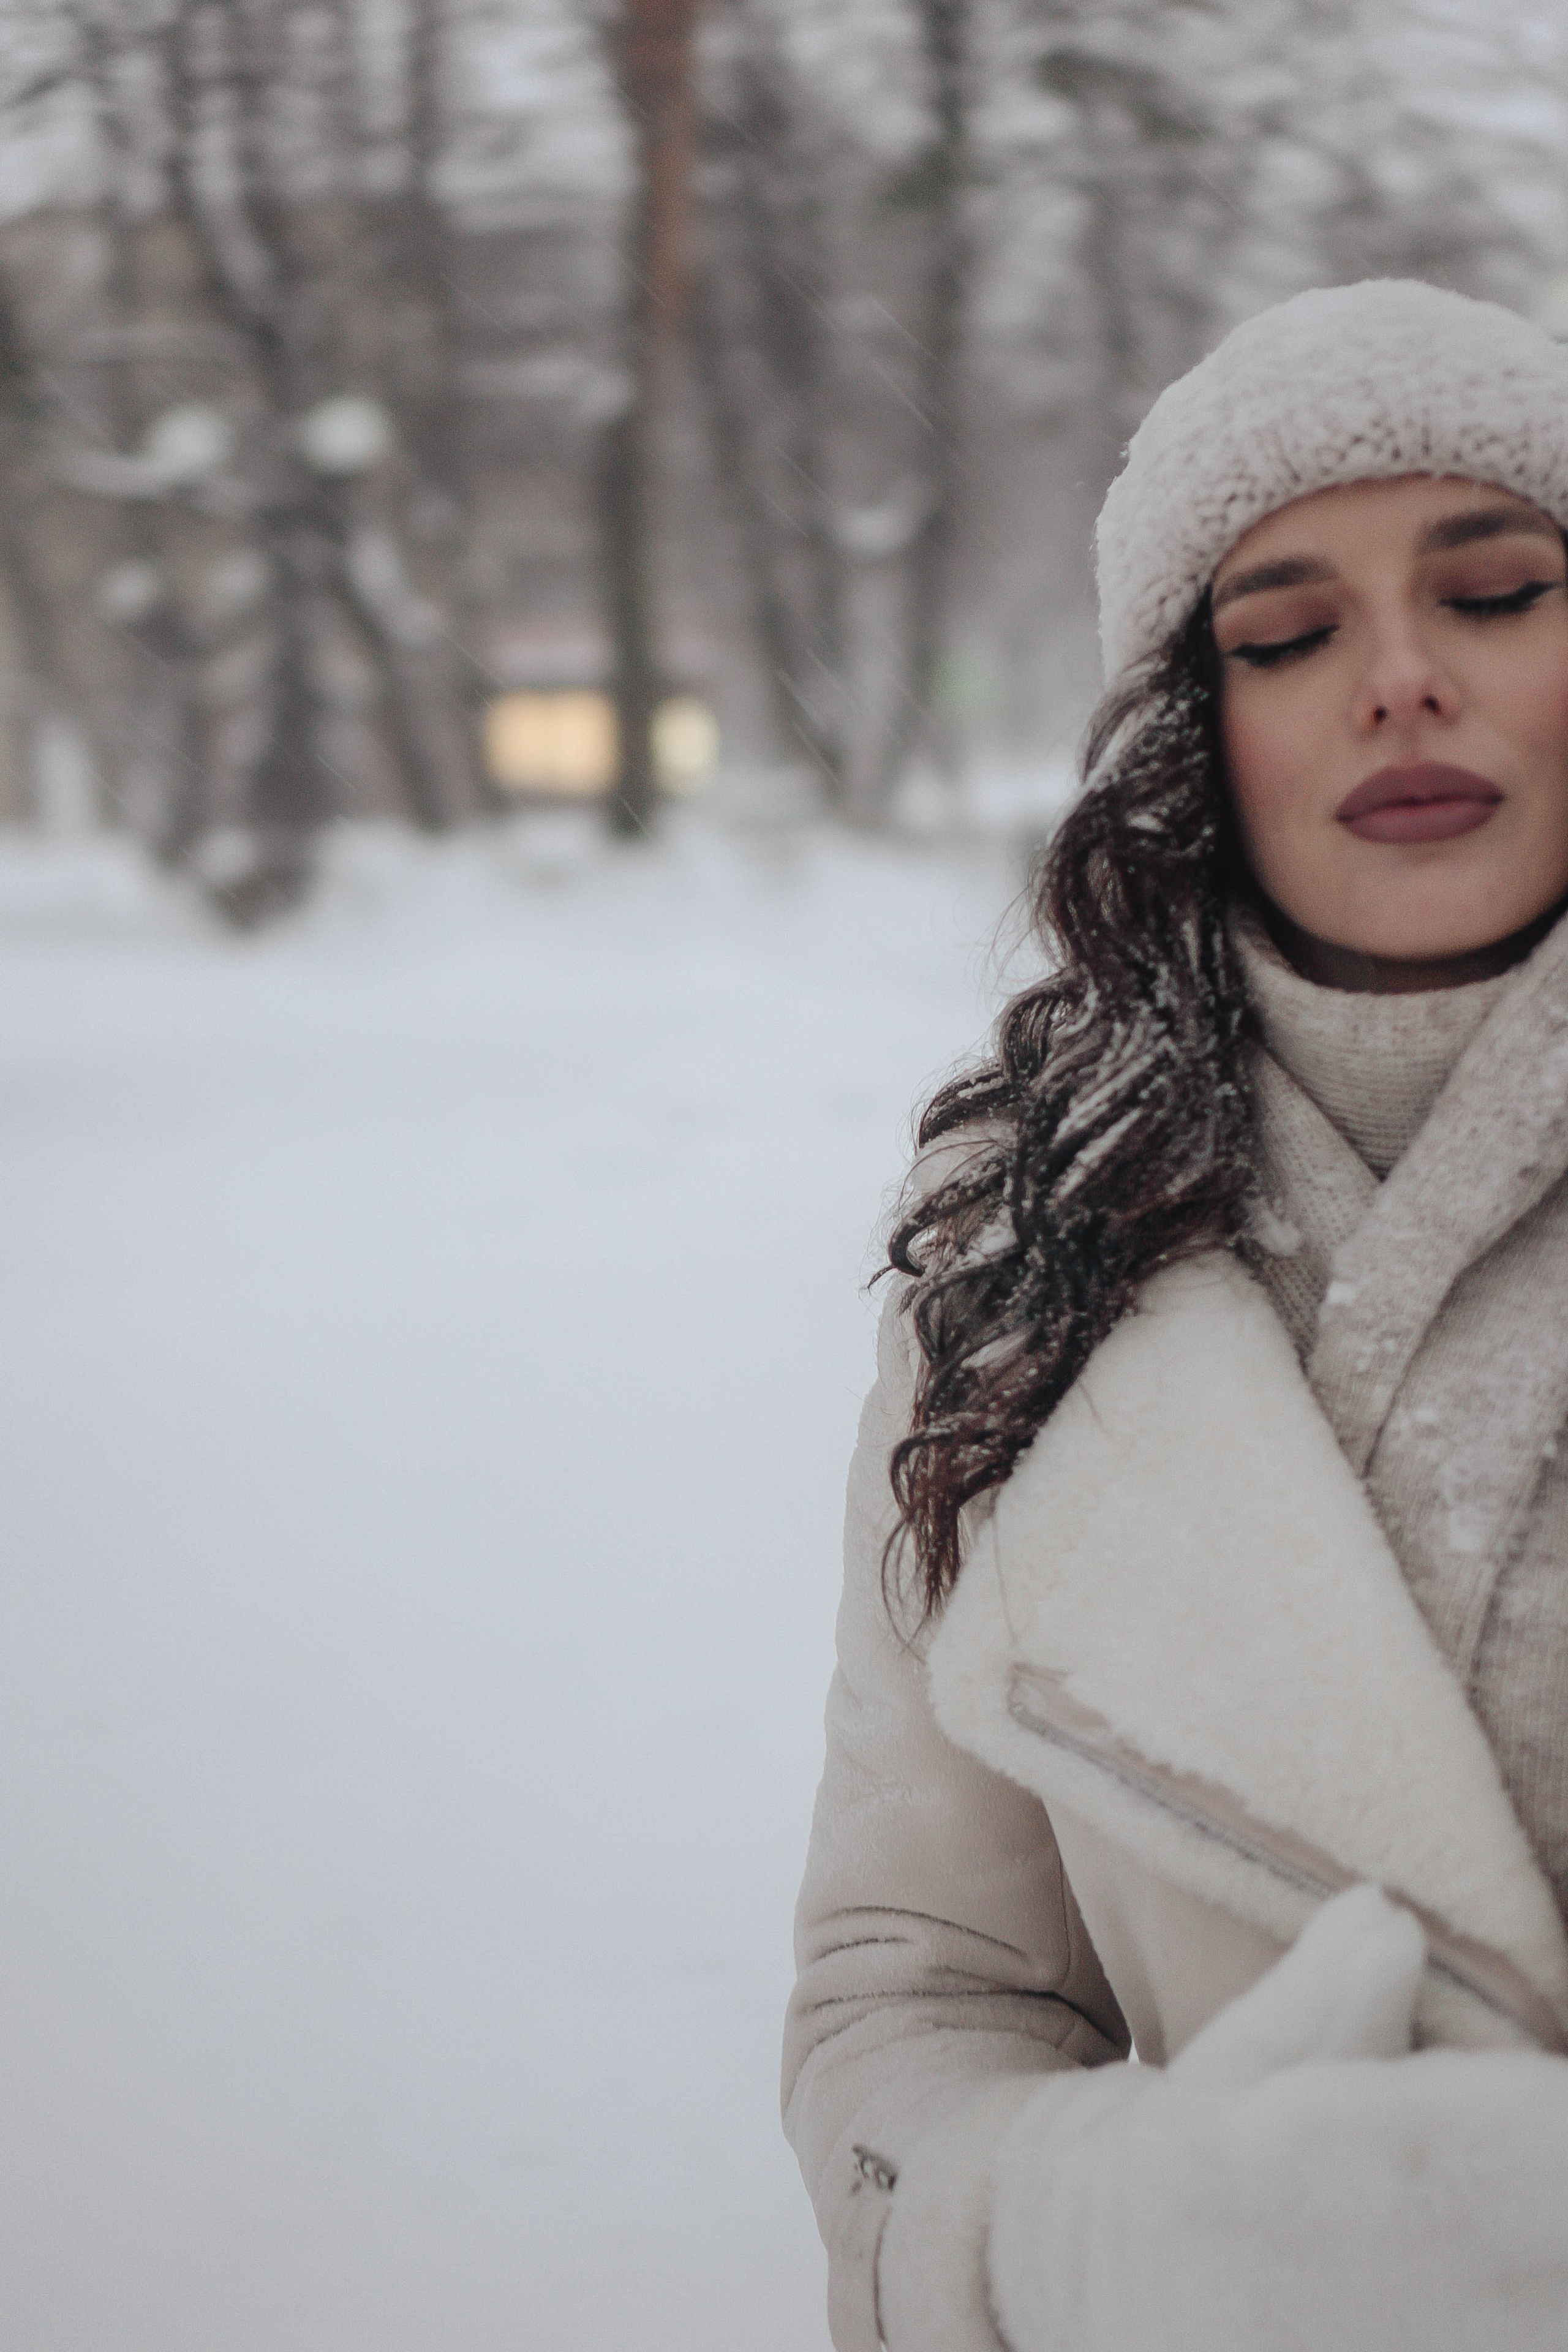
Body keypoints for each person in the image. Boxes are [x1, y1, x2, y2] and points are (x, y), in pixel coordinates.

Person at [783, 280, 1568, 2352]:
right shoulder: (1019, 1261)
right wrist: (1063, 2235)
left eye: (1494, 593)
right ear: (1189, 736)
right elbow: (915, 1985)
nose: (1398, 682)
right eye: (1286, 635)